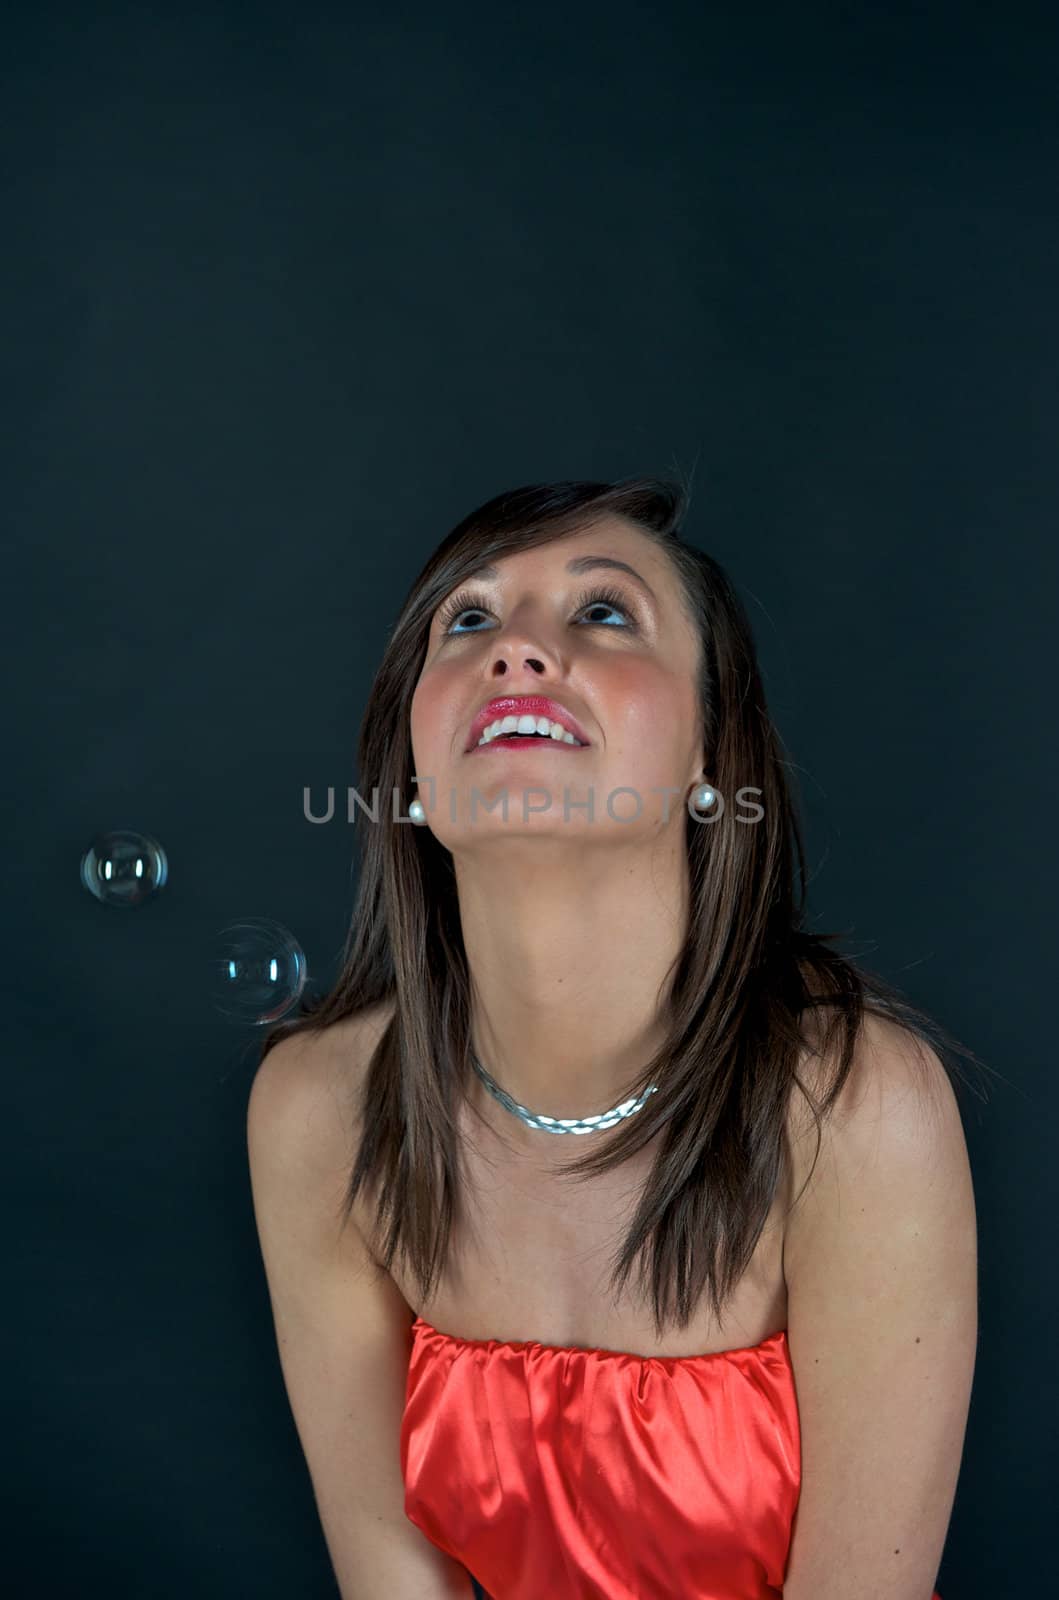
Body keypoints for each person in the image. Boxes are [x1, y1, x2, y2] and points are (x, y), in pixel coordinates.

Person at [247, 477, 987, 1599]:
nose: (517, 651)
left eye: (603, 613)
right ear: (411, 775)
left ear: (707, 760)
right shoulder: (319, 1110)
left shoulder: (853, 1106)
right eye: (470, 620)